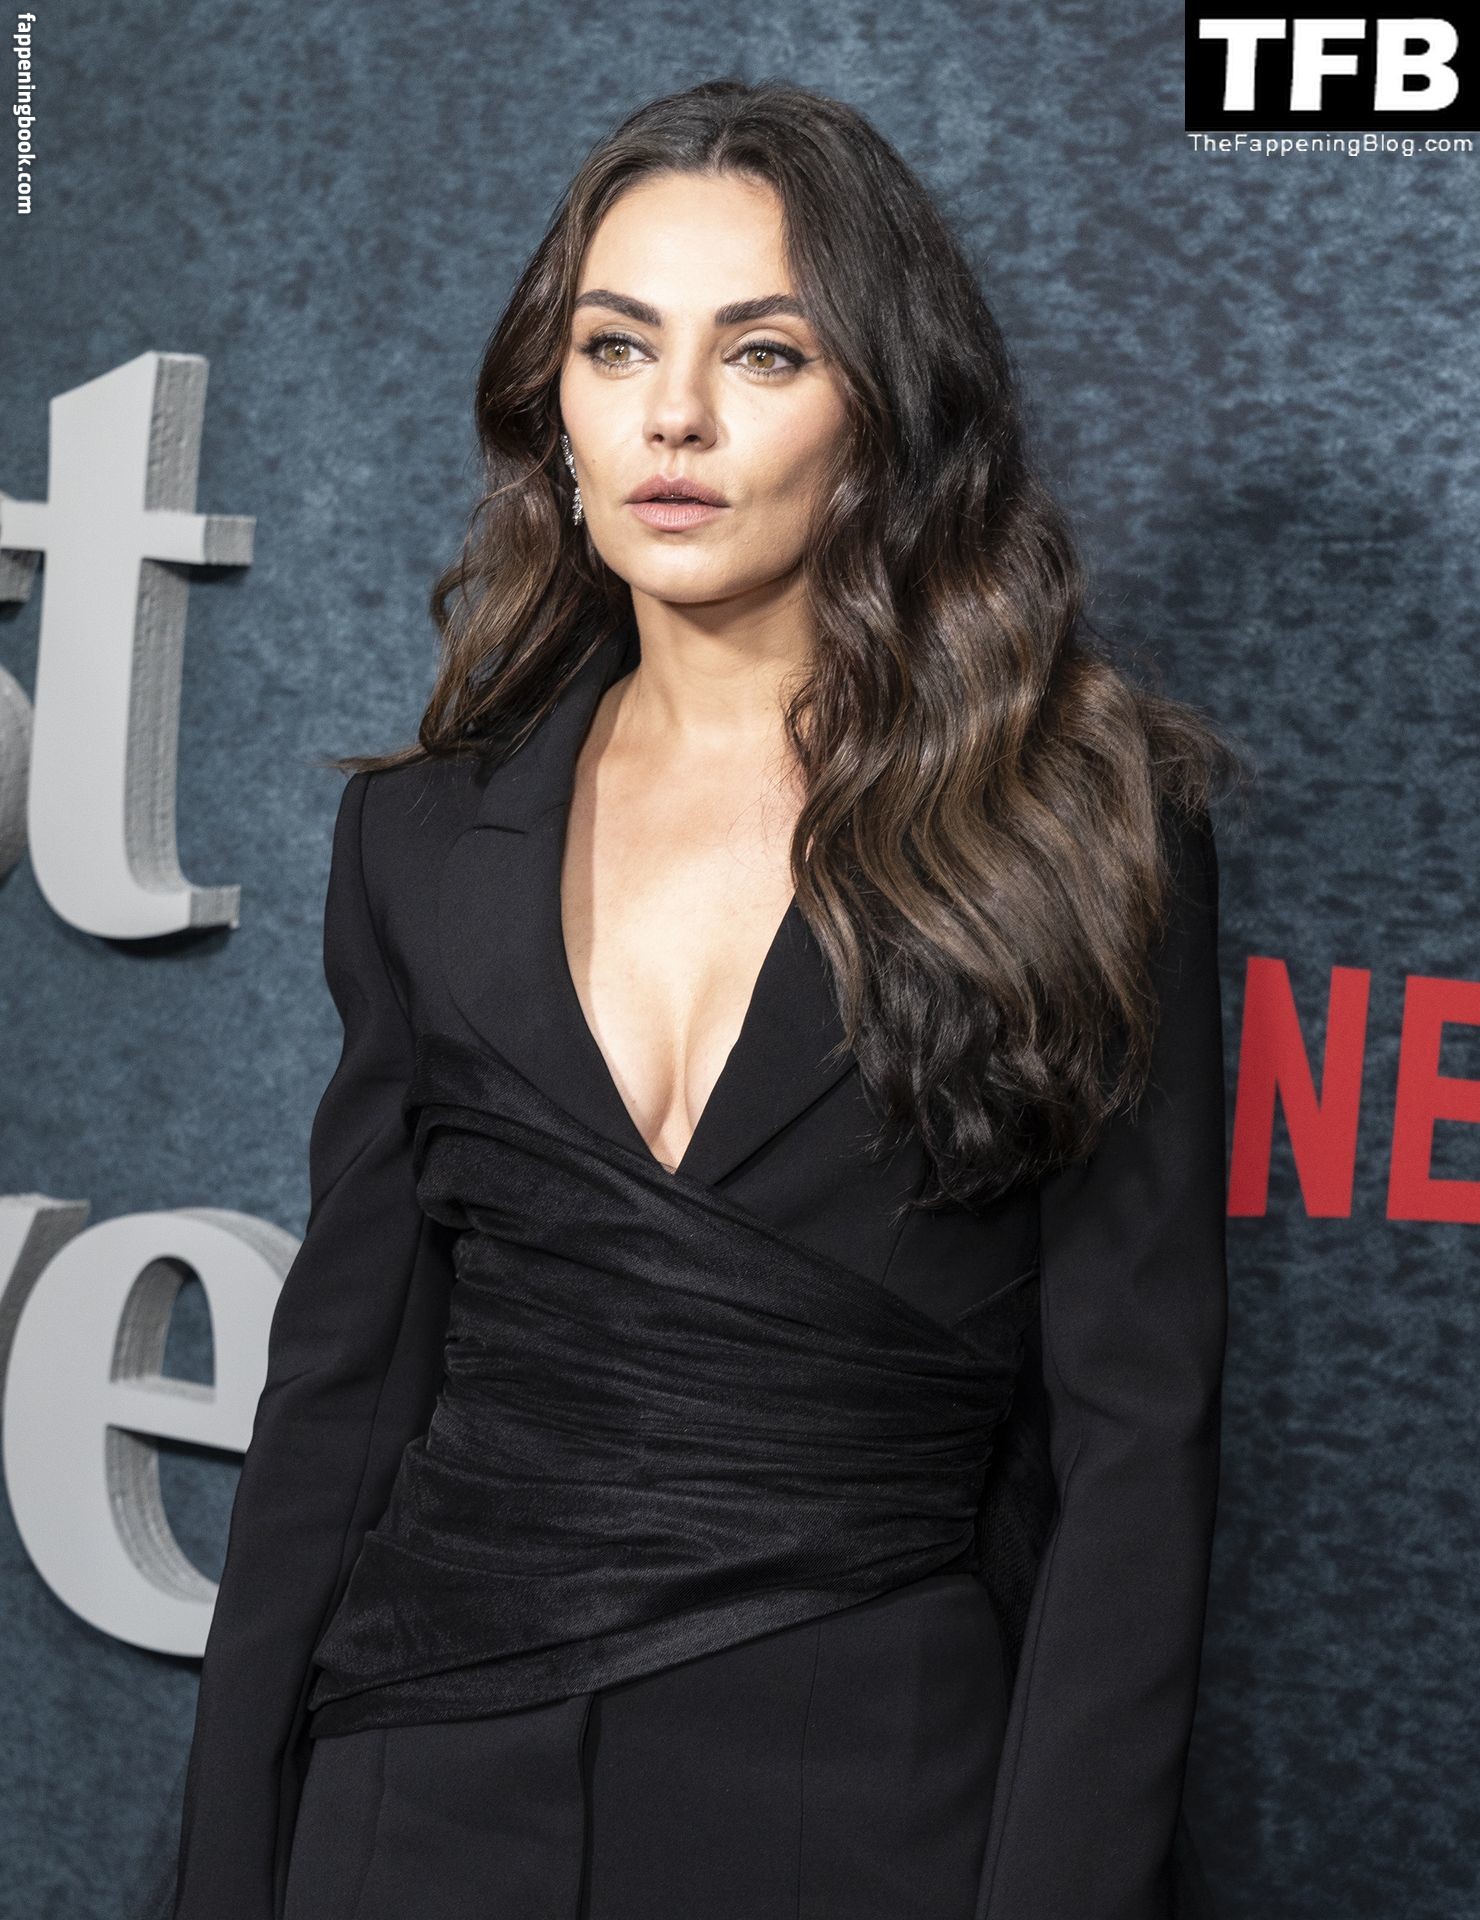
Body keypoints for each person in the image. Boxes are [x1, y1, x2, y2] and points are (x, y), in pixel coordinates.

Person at [168, 76, 1242, 1920]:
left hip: (869, 1804)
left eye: (762, 353)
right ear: (555, 406)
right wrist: (226, 1872)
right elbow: (340, 1403)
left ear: (882, 409)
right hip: (416, 1800)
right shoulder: (418, 841)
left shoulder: (1075, 828)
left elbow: (1137, 1452)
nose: (673, 415)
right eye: (616, 346)